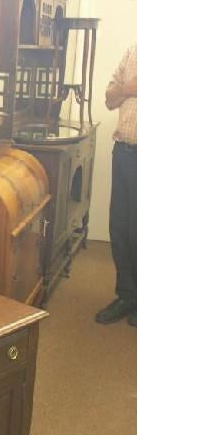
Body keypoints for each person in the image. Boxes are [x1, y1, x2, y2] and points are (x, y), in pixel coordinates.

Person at [95, 44, 137, 327]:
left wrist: (127, 89)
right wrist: (131, 87)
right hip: (123, 151)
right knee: (120, 227)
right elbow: (110, 98)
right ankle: (127, 296)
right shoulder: (134, 50)